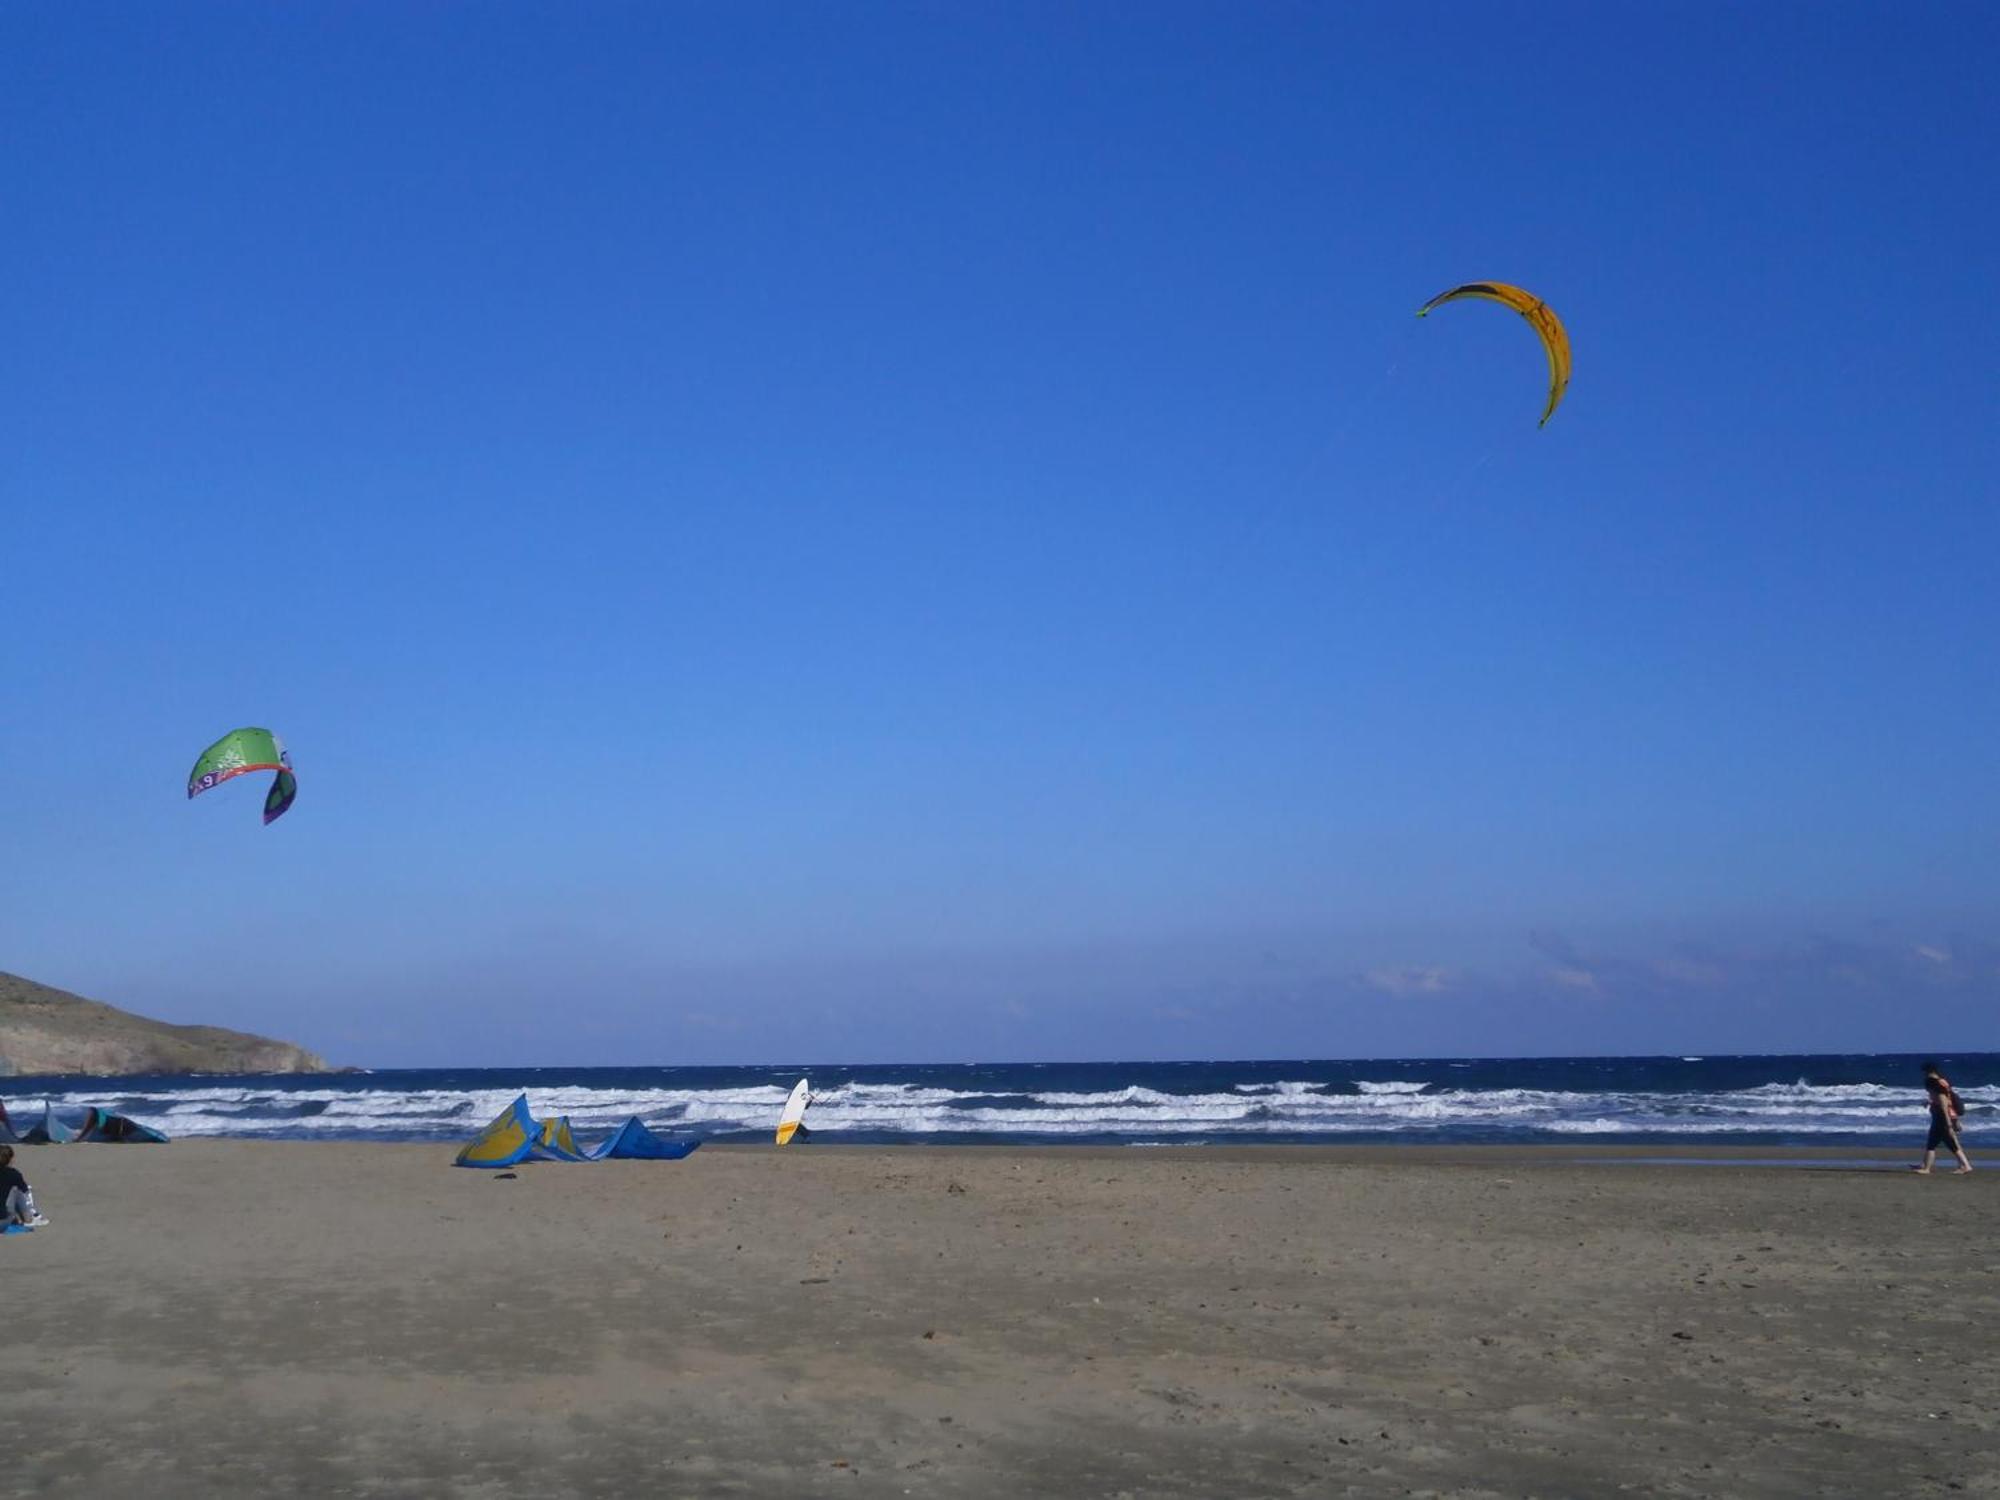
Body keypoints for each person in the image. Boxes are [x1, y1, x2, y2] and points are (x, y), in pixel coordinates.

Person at [1914, 1061, 1972, 1175]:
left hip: (1942, 1117)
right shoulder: (1943, 1081)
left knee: (1946, 1143)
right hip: (1947, 1115)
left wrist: (1949, 1122)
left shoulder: (1933, 1083)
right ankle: (1925, 1165)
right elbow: (1947, 1099)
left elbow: (1943, 1102)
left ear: (1928, 1072)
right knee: (1937, 1142)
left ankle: (1964, 1165)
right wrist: (1954, 1119)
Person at [0, 1145, 50, 1227]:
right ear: (11, 1159)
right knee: (17, 1189)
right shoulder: (13, 1174)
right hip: (2, 1222)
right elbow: (25, 1190)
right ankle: (30, 1218)